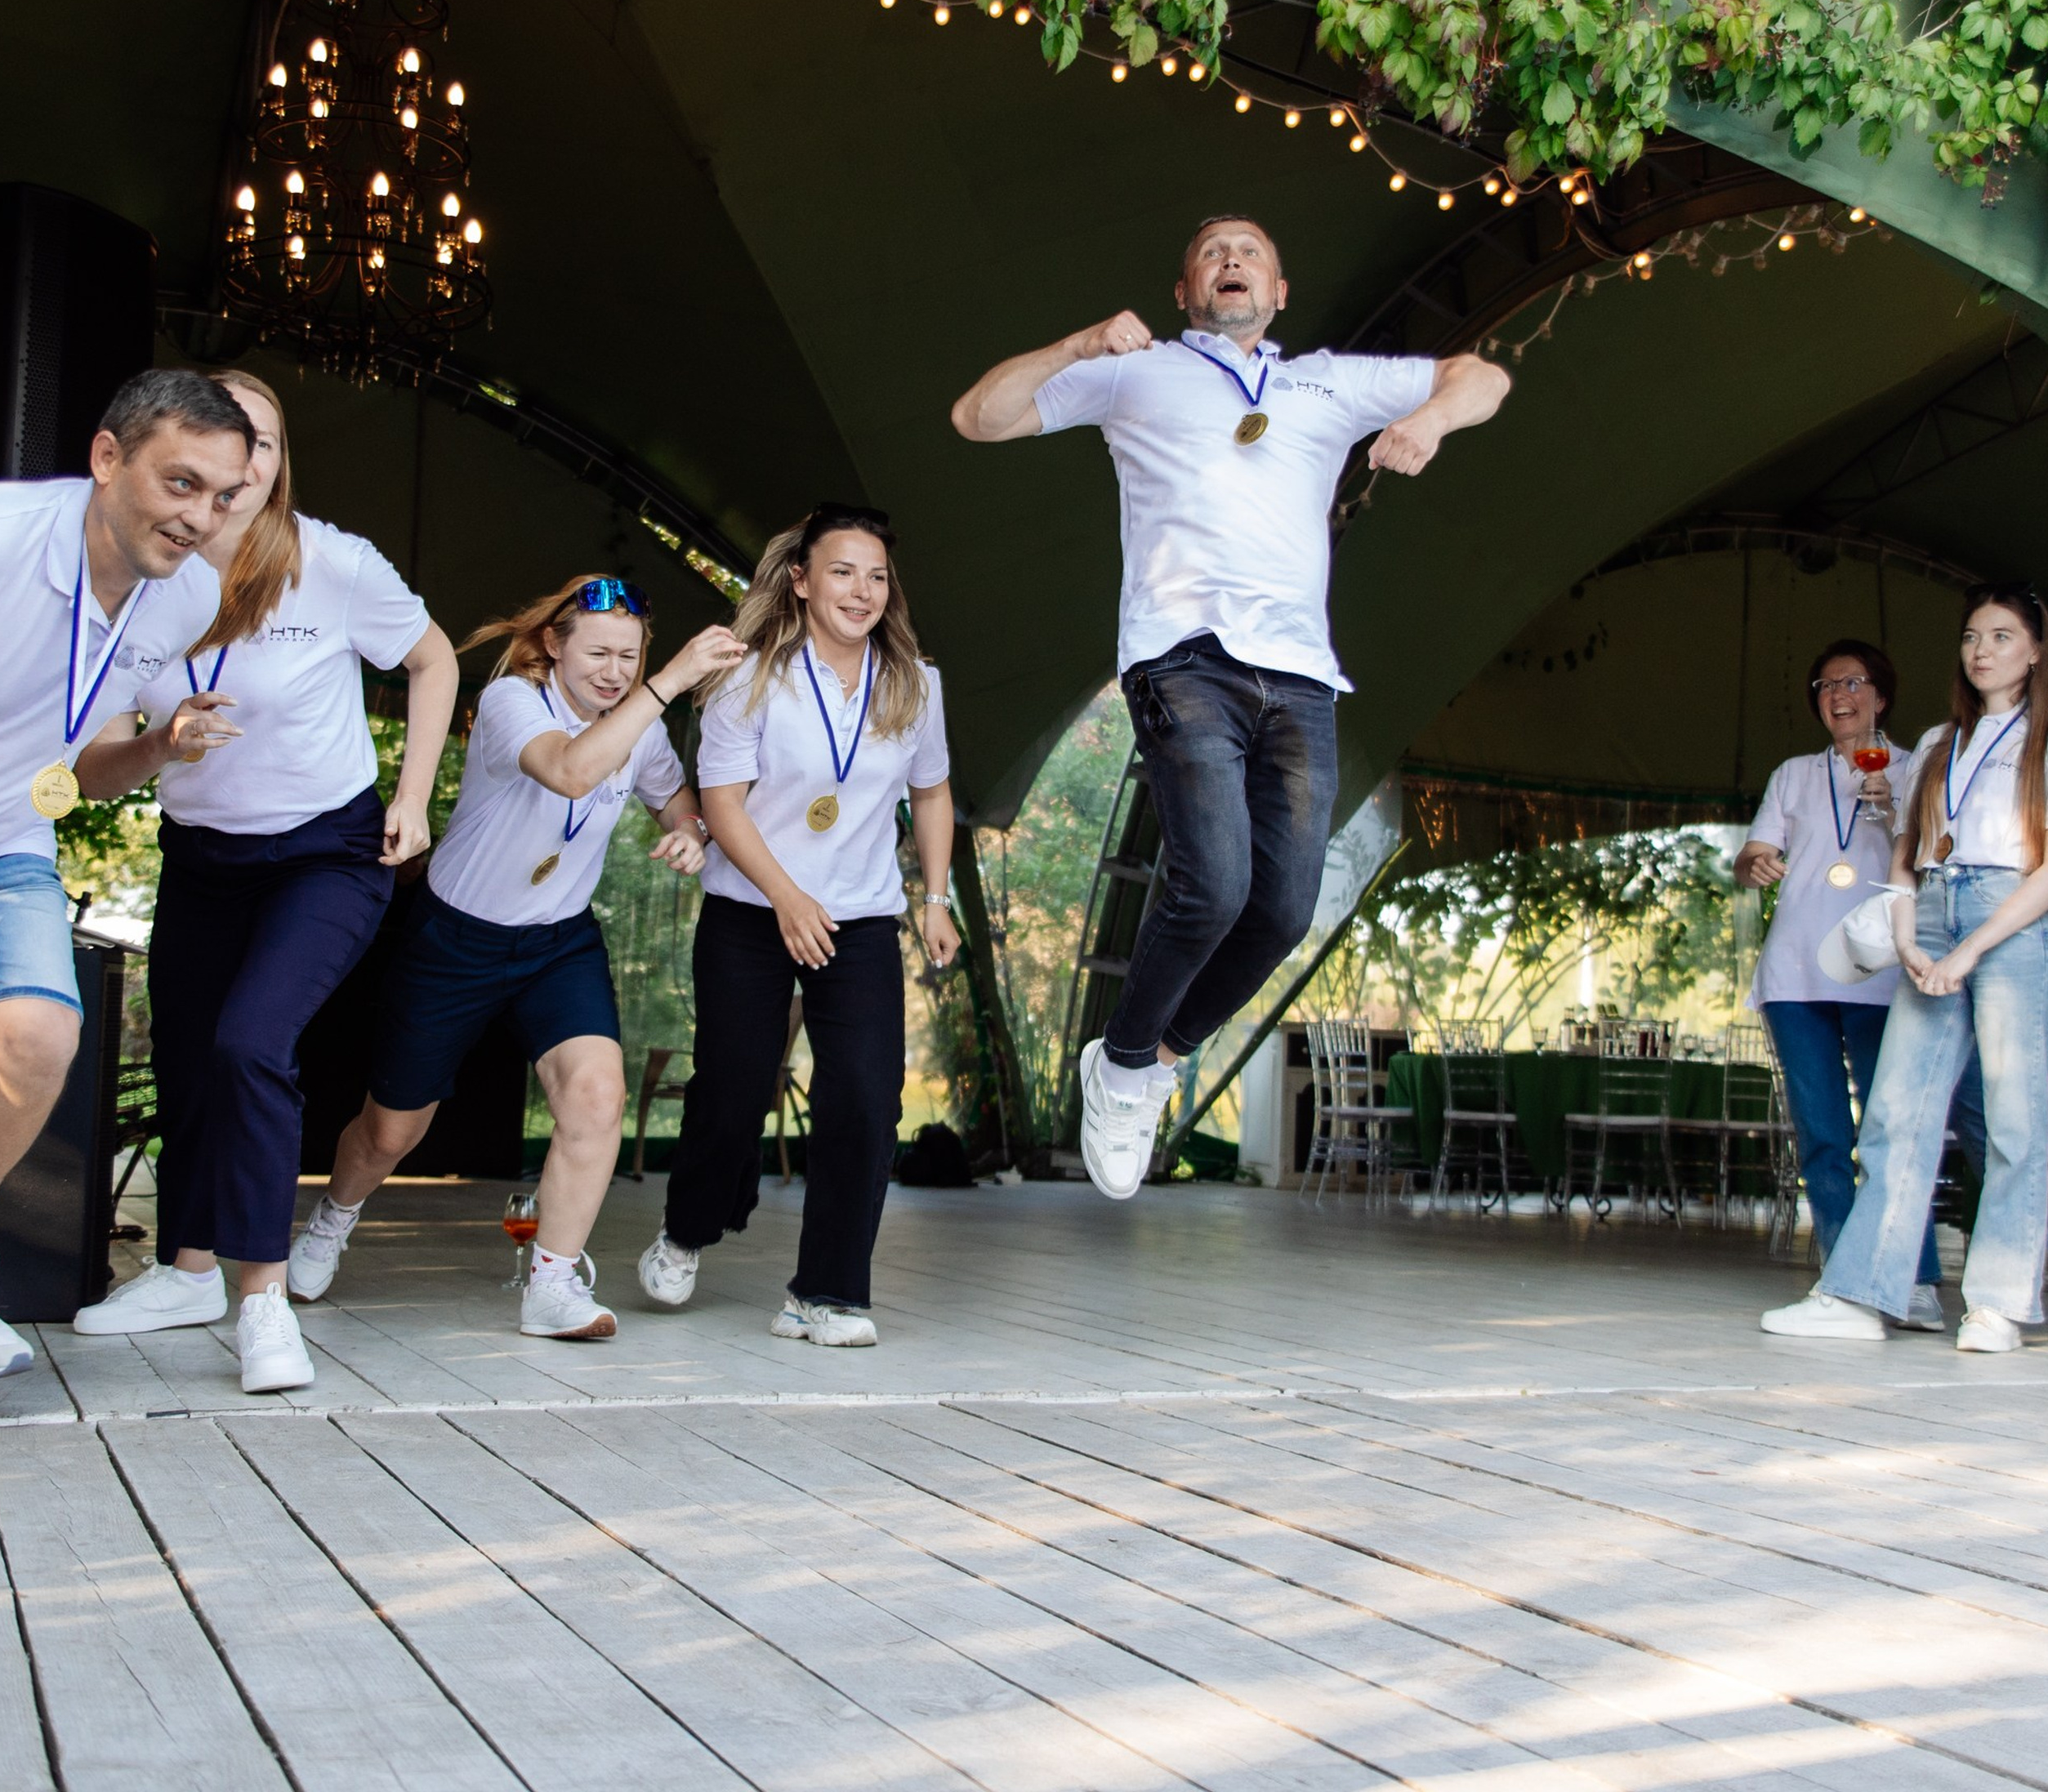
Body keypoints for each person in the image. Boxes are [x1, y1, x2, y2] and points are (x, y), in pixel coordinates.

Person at [953, 215, 1509, 1199]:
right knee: (1211, 883)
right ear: (1183, 291)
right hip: (1183, 658)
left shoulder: (1327, 382)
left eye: (1250, 252)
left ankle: (1153, 1056)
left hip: (1299, 675)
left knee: (1283, 908)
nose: (1232, 262)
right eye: (1212, 253)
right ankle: (1125, 1064)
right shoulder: (1136, 371)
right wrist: (1080, 343)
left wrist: (1427, 422)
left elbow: (1484, 377)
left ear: (1279, 291)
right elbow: (978, 417)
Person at [68, 372, 459, 1393]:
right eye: (225, 442)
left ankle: (262, 1300)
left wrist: (413, 796)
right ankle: (188, 1271)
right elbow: (97, 761)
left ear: (277, 467)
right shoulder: (139, 575)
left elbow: (434, 661)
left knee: (250, 1045)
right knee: (191, 1061)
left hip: (327, 851)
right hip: (204, 858)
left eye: (265, 445)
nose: (242, 465)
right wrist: (163, 744)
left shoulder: (332, 562)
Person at [292, 576, 741, 1339]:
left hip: (558, 942)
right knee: (391, 1132)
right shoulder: (511, 702)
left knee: (596, 1097)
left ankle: (552, 1286)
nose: (616, 672)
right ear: (553, 645)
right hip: (455, 939)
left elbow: (675, 800)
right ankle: (333, 1217)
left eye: (630, 657)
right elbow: (570, 770)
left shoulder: (640, 726)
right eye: (598, 653)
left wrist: (690, 833)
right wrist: (667, 683)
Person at [0, 369, 252, 1381]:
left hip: (2, 843)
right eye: (181, 483)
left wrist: (162, 746)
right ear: (107, 457)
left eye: (222, 496)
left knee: (40, 1040)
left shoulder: (189, 594)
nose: (200, 517)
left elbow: (81, 769)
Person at [639, 505, 957, 1348]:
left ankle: (827, 1293)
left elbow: (931, 792)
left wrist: (935, 900)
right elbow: (721, 805)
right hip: (751, 911)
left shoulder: (915, 684)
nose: (861, 591)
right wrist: (786, 896)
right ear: (802, 581)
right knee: (731, 1093)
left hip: (859, 919)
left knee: (865, 1100)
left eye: (877, 576)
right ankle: (687, 1228)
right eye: (842, 571)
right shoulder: (748, 678)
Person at [1762, 582, 2048, 1353]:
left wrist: (1973, 948)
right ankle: (1863, 1294)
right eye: (1971, 637)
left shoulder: (2042, 740)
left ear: (2035, 651)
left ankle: (1999, 1305)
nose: (1982, 651)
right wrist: (1908, 937)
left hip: (2012, 914)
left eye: (2001, 636)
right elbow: (1905, 851)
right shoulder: (1937, 741)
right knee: (1895, 1112)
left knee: (2016, 1120)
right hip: (1927, 908)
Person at [1736, 640, 1952, 1327]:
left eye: (1853, 683)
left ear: (1881, 697)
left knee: (1893, 1132)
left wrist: (1897, 808)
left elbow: (1940, 858)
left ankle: (1914, 1280)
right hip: (1796, 972)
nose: (1838, 695)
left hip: (1883, 970)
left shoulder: (1918, 766)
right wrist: (1754, 864)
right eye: (1826, 685)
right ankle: (1843, 1278)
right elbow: (1752, 853)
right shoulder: (1794, 775)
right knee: (1823, 1136)